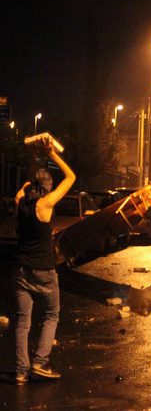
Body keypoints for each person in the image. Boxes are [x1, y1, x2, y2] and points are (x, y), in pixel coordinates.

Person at [12, 138, 75, 384]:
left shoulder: (20, 200)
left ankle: (20, 372)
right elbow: (70, 177)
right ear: (48, 187)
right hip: (43, 270)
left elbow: (27, 182)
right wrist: (51, 154)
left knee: (21, 321)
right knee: (51, 314)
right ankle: (39, 363)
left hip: (20, 269)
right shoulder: (45, 204)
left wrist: (34, 155)